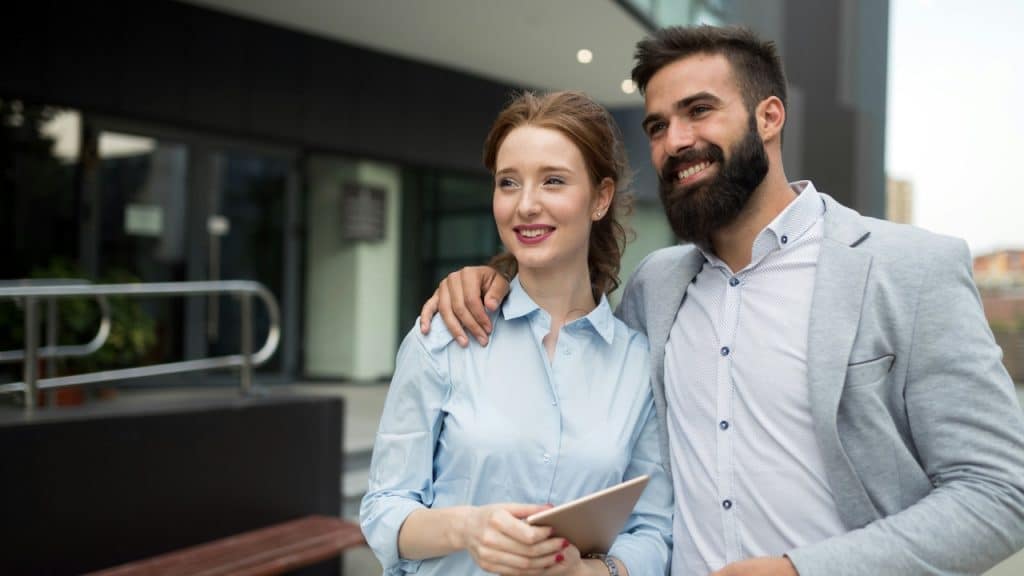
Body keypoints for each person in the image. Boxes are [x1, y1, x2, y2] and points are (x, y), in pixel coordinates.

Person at [419, 25, 1024, 576]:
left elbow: (999, 493)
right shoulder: (656, 287)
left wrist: (799, 572)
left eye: (699, 111)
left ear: (769, 116)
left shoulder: (911, 268)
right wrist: (491, 277)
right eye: (657, 125)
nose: (675, 141)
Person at [361, 91, 672, 576]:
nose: (526, 205)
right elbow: (383, 509)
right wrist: (468, 529)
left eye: (553, 181)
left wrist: (588, 573)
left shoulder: (637, 363)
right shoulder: (444, 336)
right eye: (508, 183)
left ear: (600, 198)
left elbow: (653, 533)